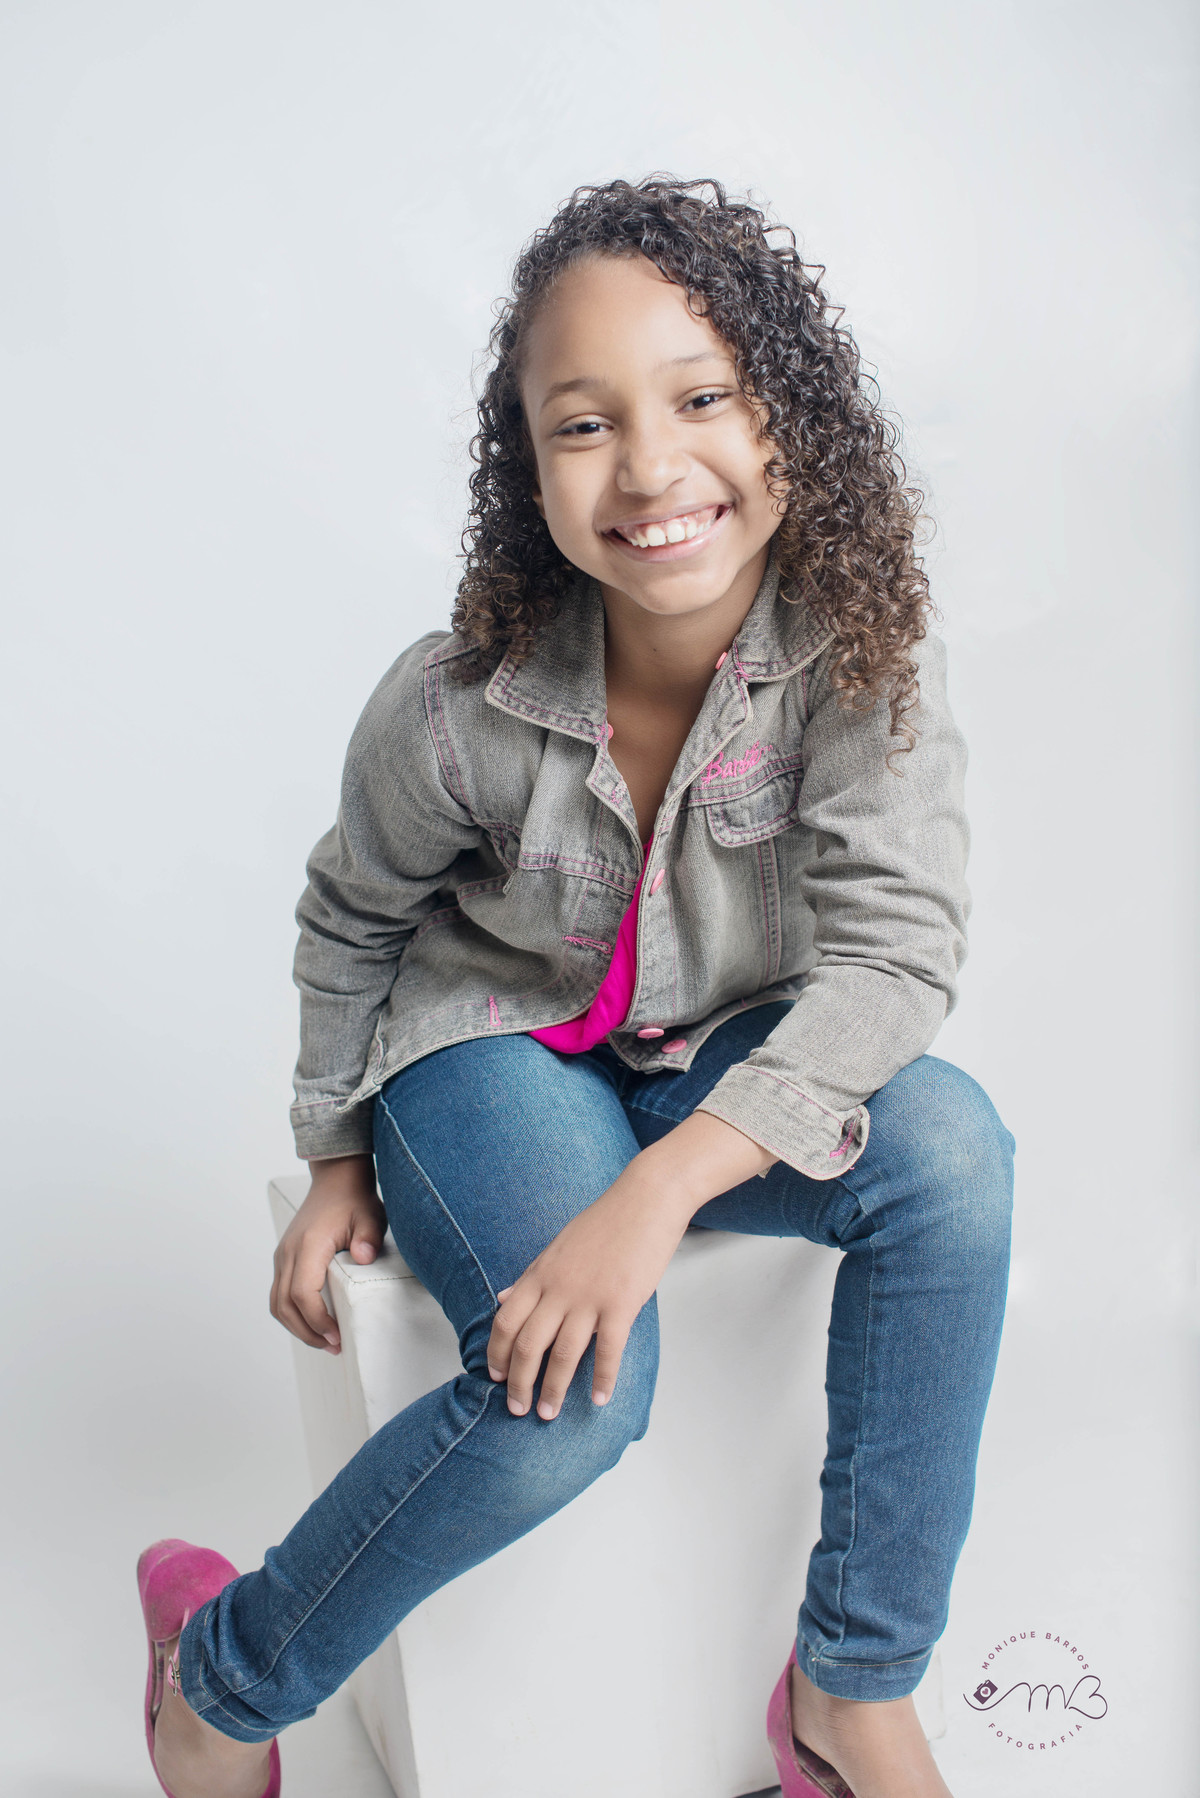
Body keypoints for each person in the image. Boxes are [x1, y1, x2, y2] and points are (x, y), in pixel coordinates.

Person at [137, 176, 1014, 1798]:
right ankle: (221, 1667)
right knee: (570, 1396)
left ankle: (852, 1683)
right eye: (585, 424)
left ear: (790, 421)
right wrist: (333, 1154)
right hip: (493, 1044)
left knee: (952, 1153)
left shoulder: (862, 656)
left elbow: (895, 955)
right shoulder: (456, 696)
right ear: (525, 466)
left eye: (702, 399)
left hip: (725, 1058)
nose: (653, 467)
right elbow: (353, 914)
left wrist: (661, 1190)